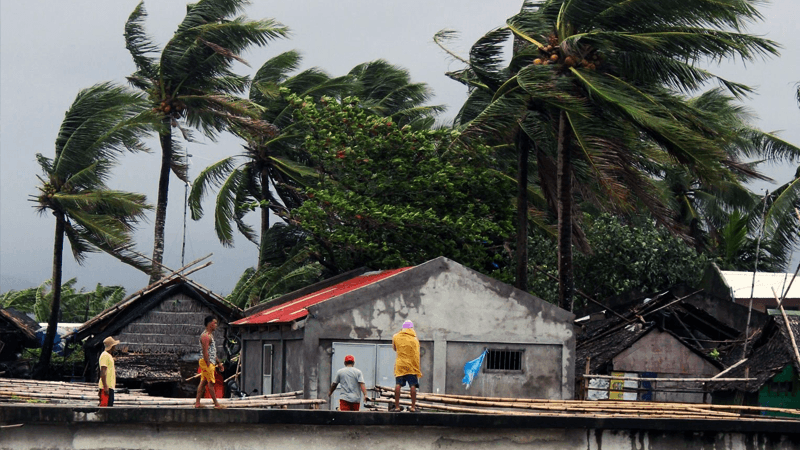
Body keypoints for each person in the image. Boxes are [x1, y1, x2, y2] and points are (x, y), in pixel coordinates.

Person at [195, 315, 226, 409]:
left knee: (203, 382)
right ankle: (216, 404)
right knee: (211, 383)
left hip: (209, 361)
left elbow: (212, 352)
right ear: (209, 324)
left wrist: (218, 363)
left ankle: (197, 404)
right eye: (214, 323)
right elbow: (205, 352)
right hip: (206, 362)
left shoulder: (209, 336)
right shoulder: (205, 336)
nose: (216, 325)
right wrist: (208, 363)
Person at [392, 320, 422, 412]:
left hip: (400, 364)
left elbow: (394, 348)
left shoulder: (396, 337)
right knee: (413, 385)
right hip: (411, 365)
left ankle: (397, 406)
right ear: (411, 328)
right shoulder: (415, 339)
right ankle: (413, 407)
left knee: (398, 384)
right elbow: (417, 353)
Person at [98, 336, 119, 407]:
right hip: (107, 386)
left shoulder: (108, 355)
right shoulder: (105, 355)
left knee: (109, 406)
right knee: (105, 407)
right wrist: (105, 386)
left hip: (110, 386)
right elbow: (103, 371)